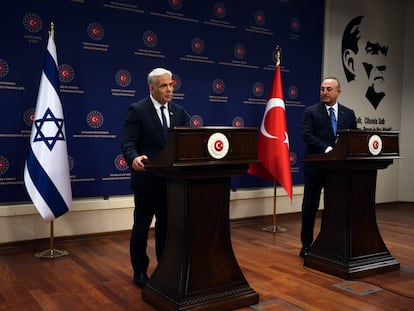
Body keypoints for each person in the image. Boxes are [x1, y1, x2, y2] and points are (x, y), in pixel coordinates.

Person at [121, 67, 187, 287]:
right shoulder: (138, 110)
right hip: (147, 181)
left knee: (166, 228)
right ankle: (139, 271)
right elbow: (128, 143)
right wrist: (134, 158)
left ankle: (165, 266)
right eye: (163, 85)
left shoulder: (179, 112)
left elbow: (185, 142)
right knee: (142, 226)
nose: (169, 89)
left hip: (171, 183)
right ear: (152, 88)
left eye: (171, 84)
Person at [300, 77, 357, 258]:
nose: (324, 92)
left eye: (329, 89)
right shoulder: (311, 112)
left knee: (332, 207)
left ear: (338, 92)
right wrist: (327, 149)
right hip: (316, 167)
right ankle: (307, 244)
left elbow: (353, 138)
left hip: (338, 170)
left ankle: (325, 241)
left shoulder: (349, 114)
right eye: (322, 89)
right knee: (310, 206)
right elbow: (307, 135)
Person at [341, 15, 389, 110]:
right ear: (350, 62)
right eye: (372, 51)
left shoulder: (390, 105)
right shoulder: (344, 109)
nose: (381, 64)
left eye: (384, 51)